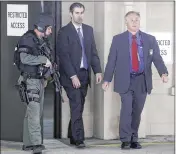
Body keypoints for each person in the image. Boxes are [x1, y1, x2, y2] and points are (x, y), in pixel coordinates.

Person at [102, 11, 168, 150]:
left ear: (140, 21)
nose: (134, 22)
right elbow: (111, 61)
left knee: (137, 111)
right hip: (125, 80)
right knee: (126, 109)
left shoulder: (149, 39)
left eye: (137, 19)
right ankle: (125, 140)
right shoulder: (118, 39)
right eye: (131, 20)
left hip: (142, 80)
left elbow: (157, 58)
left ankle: (134, 138)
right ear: (126, 22)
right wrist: (107, 79)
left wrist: (163, 72)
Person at [57, 2, 102, 148]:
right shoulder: (64, 32)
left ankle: (72, 134)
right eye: (77, 13)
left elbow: (93, 53)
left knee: (79, 106)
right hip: (71, 77)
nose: (80, 15)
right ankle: (79, 139)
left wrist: (98, 71)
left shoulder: (88, 30)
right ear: (71, 14)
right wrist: (72, 76)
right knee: (76, 105)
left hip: (84, 74)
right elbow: (63, 56)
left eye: (82, 12)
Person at [16, 13, 53, 154]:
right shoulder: (27, 39)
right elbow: (24, 58)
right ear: (42, 26)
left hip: (39, 81)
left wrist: (47, 76)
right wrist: (43, 59)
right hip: (30, 80)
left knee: (33, 113)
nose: (50, 32)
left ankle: (28, 143)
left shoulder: (41, 41)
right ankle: (36, 145)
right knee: (34, 113)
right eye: (49, 28)